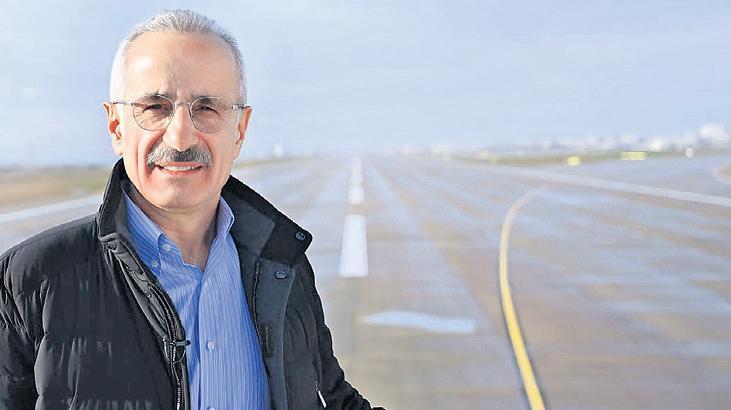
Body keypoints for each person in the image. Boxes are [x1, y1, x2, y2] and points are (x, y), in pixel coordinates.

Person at [0, 9, 382, 410]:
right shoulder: (28, 283)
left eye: (207, 108)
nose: (181, 136)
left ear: (240, 130)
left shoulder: (283, 268)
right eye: (154, 107)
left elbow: (331, 398)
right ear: (116, 127)